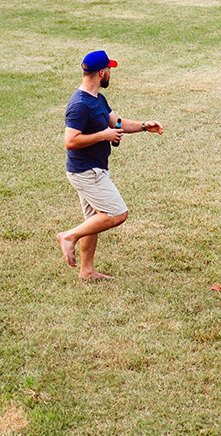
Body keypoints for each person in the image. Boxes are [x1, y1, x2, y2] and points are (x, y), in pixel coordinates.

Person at [56, 50, 164, 280]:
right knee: (117, 213)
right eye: (109, 70)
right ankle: (69, 236)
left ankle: (86, 270)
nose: (110, 74)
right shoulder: (79, 104)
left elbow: (117, 123)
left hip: (92, 169)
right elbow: (70, 141)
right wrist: (103, 135)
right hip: (87, 171)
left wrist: (145, 125)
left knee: (93, 221)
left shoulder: (98, 99)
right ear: (102, 73)